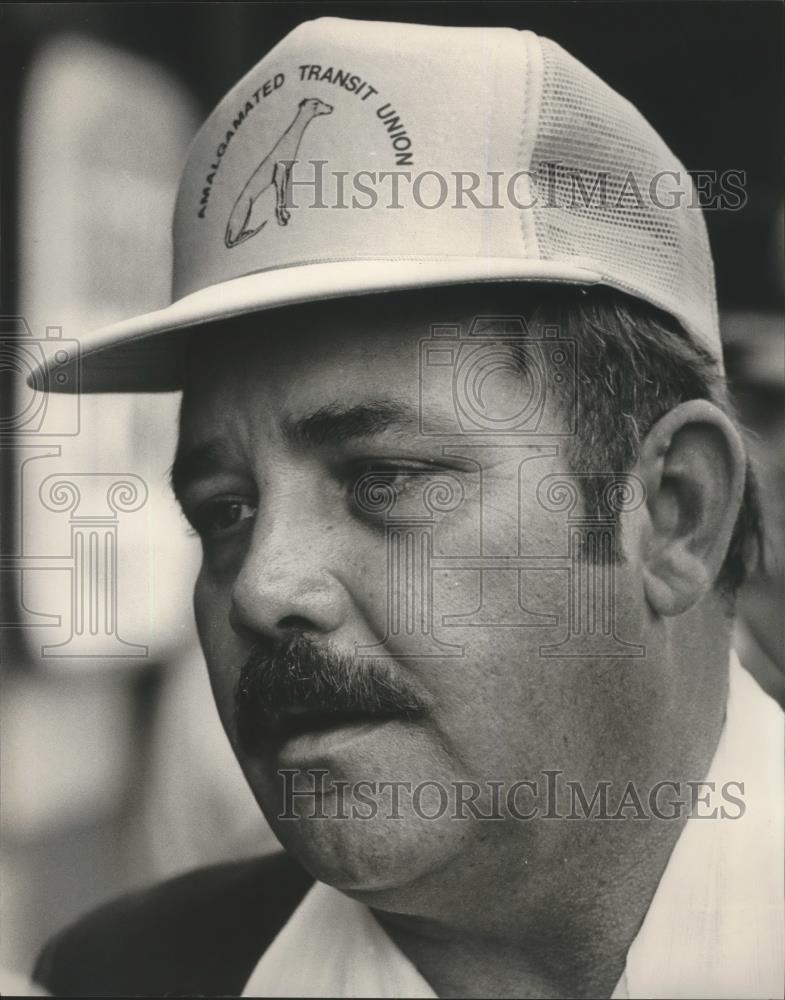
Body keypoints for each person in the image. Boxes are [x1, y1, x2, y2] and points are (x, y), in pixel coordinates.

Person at [29, 16, 783, 999]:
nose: (260, 584)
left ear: (673, 510)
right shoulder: (123, 977)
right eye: (221, 509)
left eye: (380, 476)